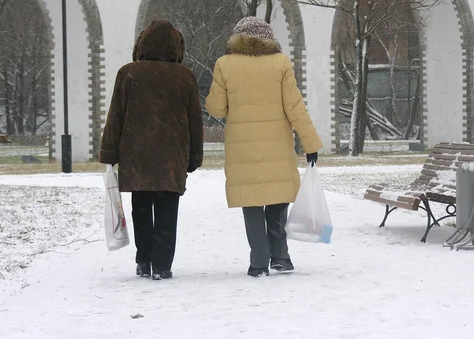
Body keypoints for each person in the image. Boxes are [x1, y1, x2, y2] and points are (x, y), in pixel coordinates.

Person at [206, 16, 322, 277]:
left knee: (252, 203)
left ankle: (259, 261)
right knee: (278, 198)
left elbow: (216, 108)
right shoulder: (280, 63)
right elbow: (295, 107)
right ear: (268, 39)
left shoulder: (224, 64)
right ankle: (280, 255)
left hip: (242, 147)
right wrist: (310, 143)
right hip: (277, 146)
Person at [100, 19, 204, 280]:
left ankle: (143, 260)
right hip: (172, 157)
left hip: (137, 155)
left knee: (141, 207)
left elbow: (116, 115)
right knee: (168, 210)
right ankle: (162, 265)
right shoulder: (185, 77)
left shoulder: (128, 73)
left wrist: (109, 153)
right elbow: (194, 121)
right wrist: (194, 156)